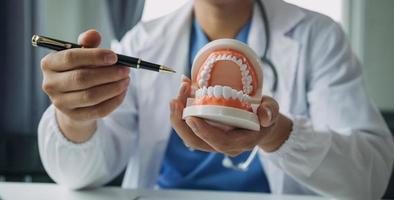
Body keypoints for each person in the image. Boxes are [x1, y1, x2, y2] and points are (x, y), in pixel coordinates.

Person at [37, 0, 394, 199]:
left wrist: (276, 134)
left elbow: (368, 179)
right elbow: (77, 176)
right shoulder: (141, 42)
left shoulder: (319, 37)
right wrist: (76, 117)